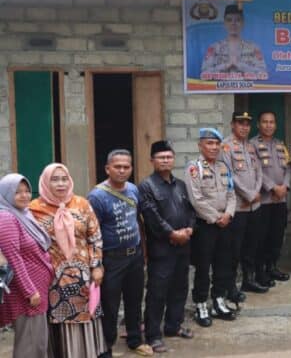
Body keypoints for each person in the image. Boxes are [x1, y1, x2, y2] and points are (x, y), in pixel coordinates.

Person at [30, 163, 107, 358]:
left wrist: (97, 266)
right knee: (59, 321)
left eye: (64, 179)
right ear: (46, 182)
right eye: (54, 180)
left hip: (84, 276)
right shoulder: (34, 210)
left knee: (85, 316)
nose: (60, 184)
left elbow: (95, 236)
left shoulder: (82, 204)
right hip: (52, 278)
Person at [87, 150, 152, 357]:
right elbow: (91, 233)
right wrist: (96, 264)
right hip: (111, 259)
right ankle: (105, 347)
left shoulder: (133, 190)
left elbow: (138, 221)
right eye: (117, 167)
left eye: (126, 167)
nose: (122, 170)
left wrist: (143, 251)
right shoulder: (97, 196)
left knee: (134, 301)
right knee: (109, 305)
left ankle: (135, 340)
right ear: (108, 168)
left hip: (134, 256)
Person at [138, 141, 196, 353]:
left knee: (180, 287)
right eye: (161, 157)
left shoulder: (180, 185)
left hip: (183, 246)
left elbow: (190, 211)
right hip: (162, 248)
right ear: (152, 160)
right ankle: (153, 335)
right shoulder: (146, 186)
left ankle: (174, 325)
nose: (165, 161)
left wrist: (189, 230)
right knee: (157, 291)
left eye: (169, 157)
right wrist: (172, 233)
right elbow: (151, 216)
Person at [185, 128, 237, 327]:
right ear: (200, 145)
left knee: (223, 264)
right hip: (206, 226)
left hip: (225, 223)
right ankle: (200, 304)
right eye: (209, 143)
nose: (214, 147)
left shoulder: (224, 167)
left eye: (217, 144)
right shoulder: (194, 168)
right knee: (203, 267)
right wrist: (217, 218)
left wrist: (228, 214)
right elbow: (196, 200)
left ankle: (218, 300)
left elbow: (232, 194)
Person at [0, 174, 53, 358]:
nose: (24, 195)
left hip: (36, 289)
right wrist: (30, 291)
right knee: (29, 346)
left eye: (27, 191)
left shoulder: (23, 214)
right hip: (26, 294)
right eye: (17, 192)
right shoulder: (6, 218)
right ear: (5, 194)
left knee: (37, 343)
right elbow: (13, 258)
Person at [220, 112, 267, 300]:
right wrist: (248, 194)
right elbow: (229, 174)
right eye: (240, 123)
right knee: (234, 250)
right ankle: (230, 287)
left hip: (254, 206)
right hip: (238, 208)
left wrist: (256, 192)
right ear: (232, 125)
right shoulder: (226, 146)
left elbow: (259, 172)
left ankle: (248, 280)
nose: (244, 127)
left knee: (251, 246)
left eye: (247, 124)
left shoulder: (250, 147)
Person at [249, 111, 291, 286]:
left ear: (275, 125)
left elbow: (288, 168)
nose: (268, 125)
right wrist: (273, 187)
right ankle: (260, 272)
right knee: (261, 238)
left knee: (277, 236)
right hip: (264, 201)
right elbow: (256, 169)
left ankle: (272, 267)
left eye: (271, 122)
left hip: (280, 200)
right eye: (265, 122)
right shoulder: (252, 145)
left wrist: (285, 187)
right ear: (258, 124)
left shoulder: (281, 144)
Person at [200, 4, 266, 78]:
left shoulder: (253, 48)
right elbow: (204, 74)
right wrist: (225, 65)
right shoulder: (214, 48)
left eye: (237, 20)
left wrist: (240, 65)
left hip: (245, 88)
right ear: (224, 23)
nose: (233, 23)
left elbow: (263, 74)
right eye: (229, 20)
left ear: (243, 23)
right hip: (221, 88)